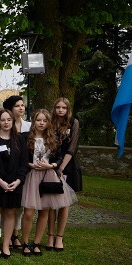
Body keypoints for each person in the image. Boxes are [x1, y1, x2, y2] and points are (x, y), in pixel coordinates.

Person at [21, 109, 76, 256]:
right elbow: (20, 156)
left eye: (44, 121)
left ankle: (37, 242)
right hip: (31, 176)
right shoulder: (25, 137)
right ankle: (25, 242)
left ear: (48, 123)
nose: (41, 123)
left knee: (44, 210)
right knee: (28, 212)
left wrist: (51, 166)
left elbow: (58, 157)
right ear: (34, 121)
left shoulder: (53, 138)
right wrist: (29, 164)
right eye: (39, 120)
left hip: (47, 175)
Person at [0, 109, 29, 258]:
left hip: (14, 184)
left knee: (10, 213)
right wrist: (0, 181)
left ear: (12, 121)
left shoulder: (20, 139)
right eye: (3, 120)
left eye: (9, 119)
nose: (6, 122)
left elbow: (24, 163)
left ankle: (6, 245)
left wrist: (18, 181)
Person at [48, 97, 82, 252]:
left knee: (64, 203)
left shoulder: (73, 122)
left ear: (68, 109)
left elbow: (72, 148)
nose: (60, 110)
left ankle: (59, 237)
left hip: (67, 165)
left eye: (63, 108)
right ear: (54, 108)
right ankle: (50, 236)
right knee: (51, 203)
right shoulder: (50, 122)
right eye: (58, 107)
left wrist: (61, 168)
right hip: (51, 164)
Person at [2, 95, 31, 249]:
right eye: (17, 106)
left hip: (24, 168)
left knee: (20, 204)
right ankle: (5, 233)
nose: (21, 108)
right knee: (7, 206)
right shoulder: (4, 125)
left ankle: (15, 234)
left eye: (22, 105)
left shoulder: (29, 126)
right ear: (10, 109)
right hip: (6, 170)